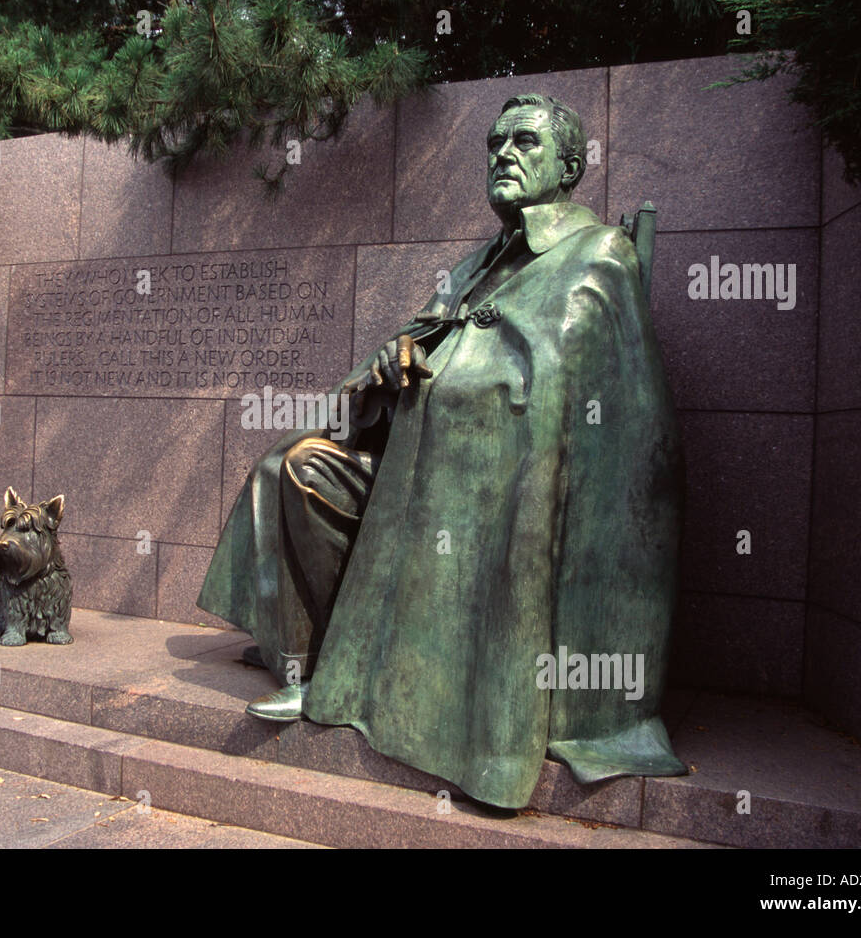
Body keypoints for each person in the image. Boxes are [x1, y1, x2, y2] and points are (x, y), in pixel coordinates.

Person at [197, 93, 687, 808]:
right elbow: (397, 357)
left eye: (525, 142)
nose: (504, 155)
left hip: (504, 495)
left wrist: (460, 380)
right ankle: (312, 662)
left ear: (571, 165)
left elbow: (589, 404)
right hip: (416, 477)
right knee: (294, 469)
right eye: (494, 143)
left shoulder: (598, 255)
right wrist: (394, 366)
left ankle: (414, 693)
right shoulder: (476, 262)